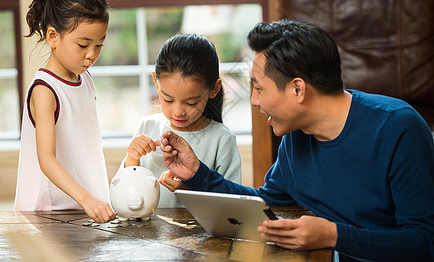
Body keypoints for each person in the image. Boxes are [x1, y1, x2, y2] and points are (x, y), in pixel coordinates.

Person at [159, 20, 434, 261]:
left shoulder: (398, 128)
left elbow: (425, 242)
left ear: (298, 89)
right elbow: (264, 203)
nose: (254, 101)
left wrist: (334, 236)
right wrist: (197, 174)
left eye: (259, 87)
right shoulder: (296, 137)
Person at [14, 0, 116, 223]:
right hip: (53, 211)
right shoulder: (45, 90)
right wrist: (86, 198)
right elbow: (46, 159)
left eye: (99, 44)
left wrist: (95, 196)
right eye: (83, 44)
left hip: (84, 205)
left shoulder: (85, 78)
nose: (92, 54)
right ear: (53, 36)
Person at [121, 34, 242, 207]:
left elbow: (233, 206)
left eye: (191, 102)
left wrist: (190, 189)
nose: (178, 112)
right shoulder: (147, 126)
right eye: (168, 99)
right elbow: (123, 194)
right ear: (156, 82)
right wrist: (131, 159)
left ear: (214, 89)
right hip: (147, 232)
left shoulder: (222, 140)